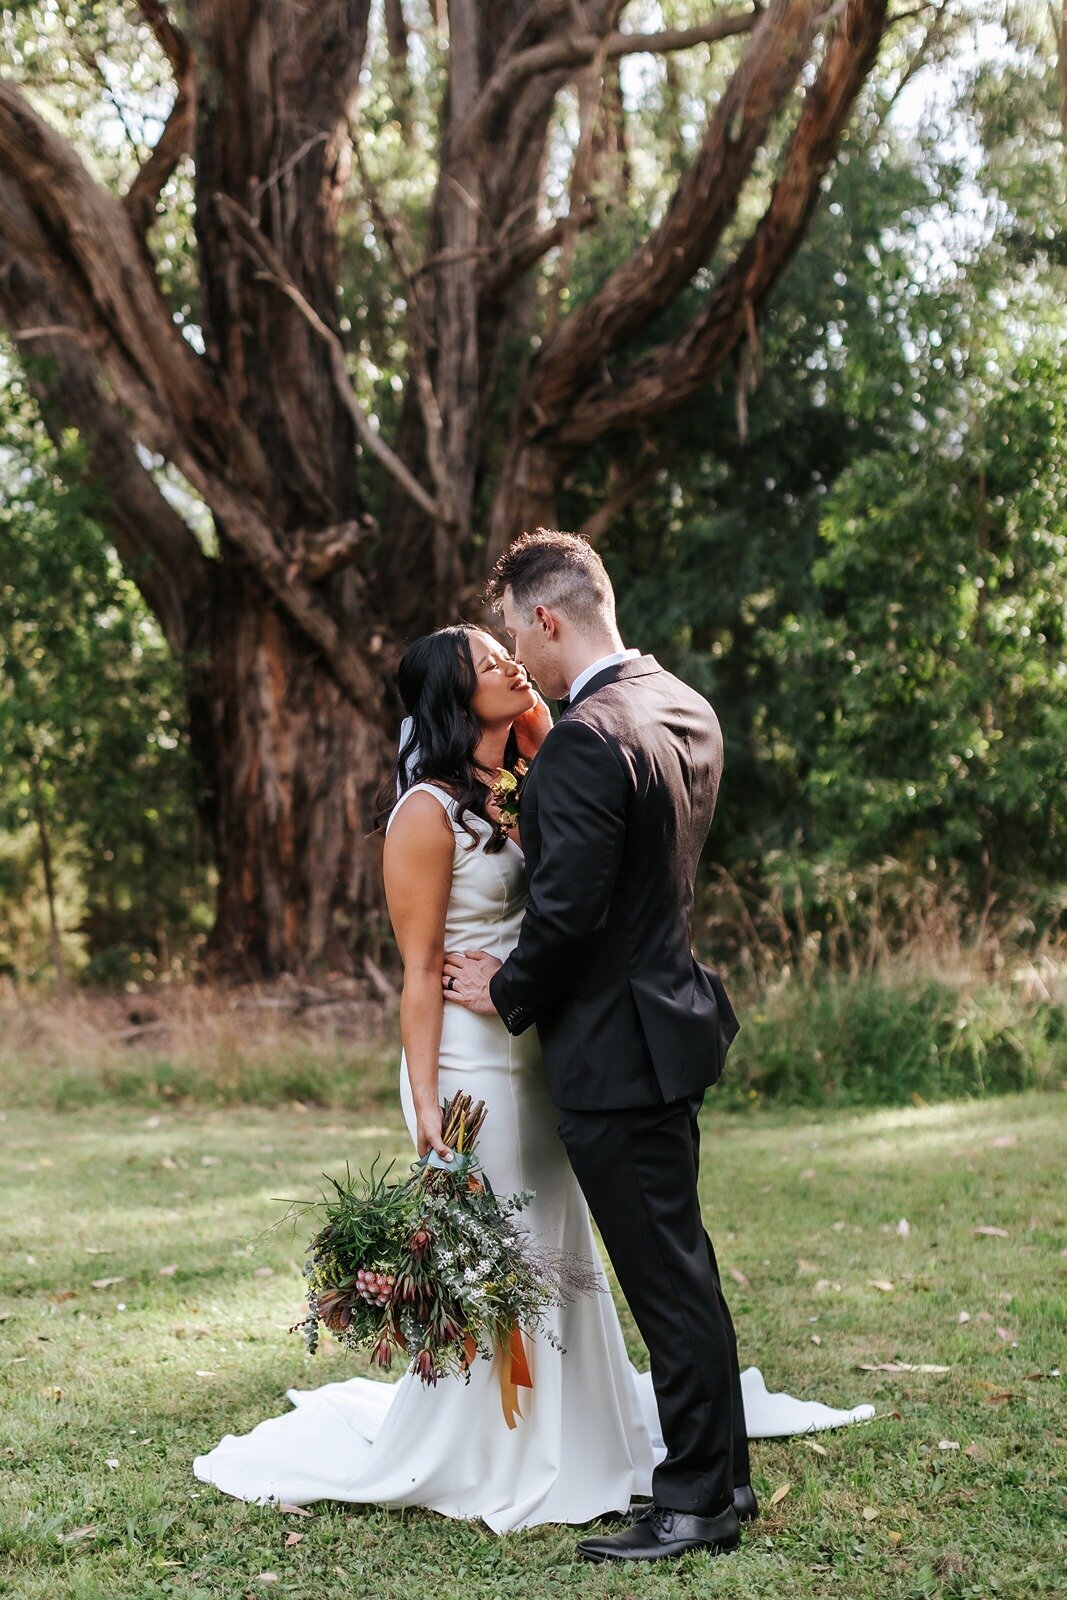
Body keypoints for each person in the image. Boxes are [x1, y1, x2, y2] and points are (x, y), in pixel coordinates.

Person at [193, 554, 873, 1540]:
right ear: (449, 695)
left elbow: (561, 907)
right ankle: (517, 1444)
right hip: (495, 1065)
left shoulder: (561, 752)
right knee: (570, 1261)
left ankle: (675, 1482)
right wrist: (425, 1106)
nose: (511, 659)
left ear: (546, 621)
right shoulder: (647, 716)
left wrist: (510, 977)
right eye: (487, 658)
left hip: (572, 1047)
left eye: (511, 639)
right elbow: (420, 969)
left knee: (627, 1266)